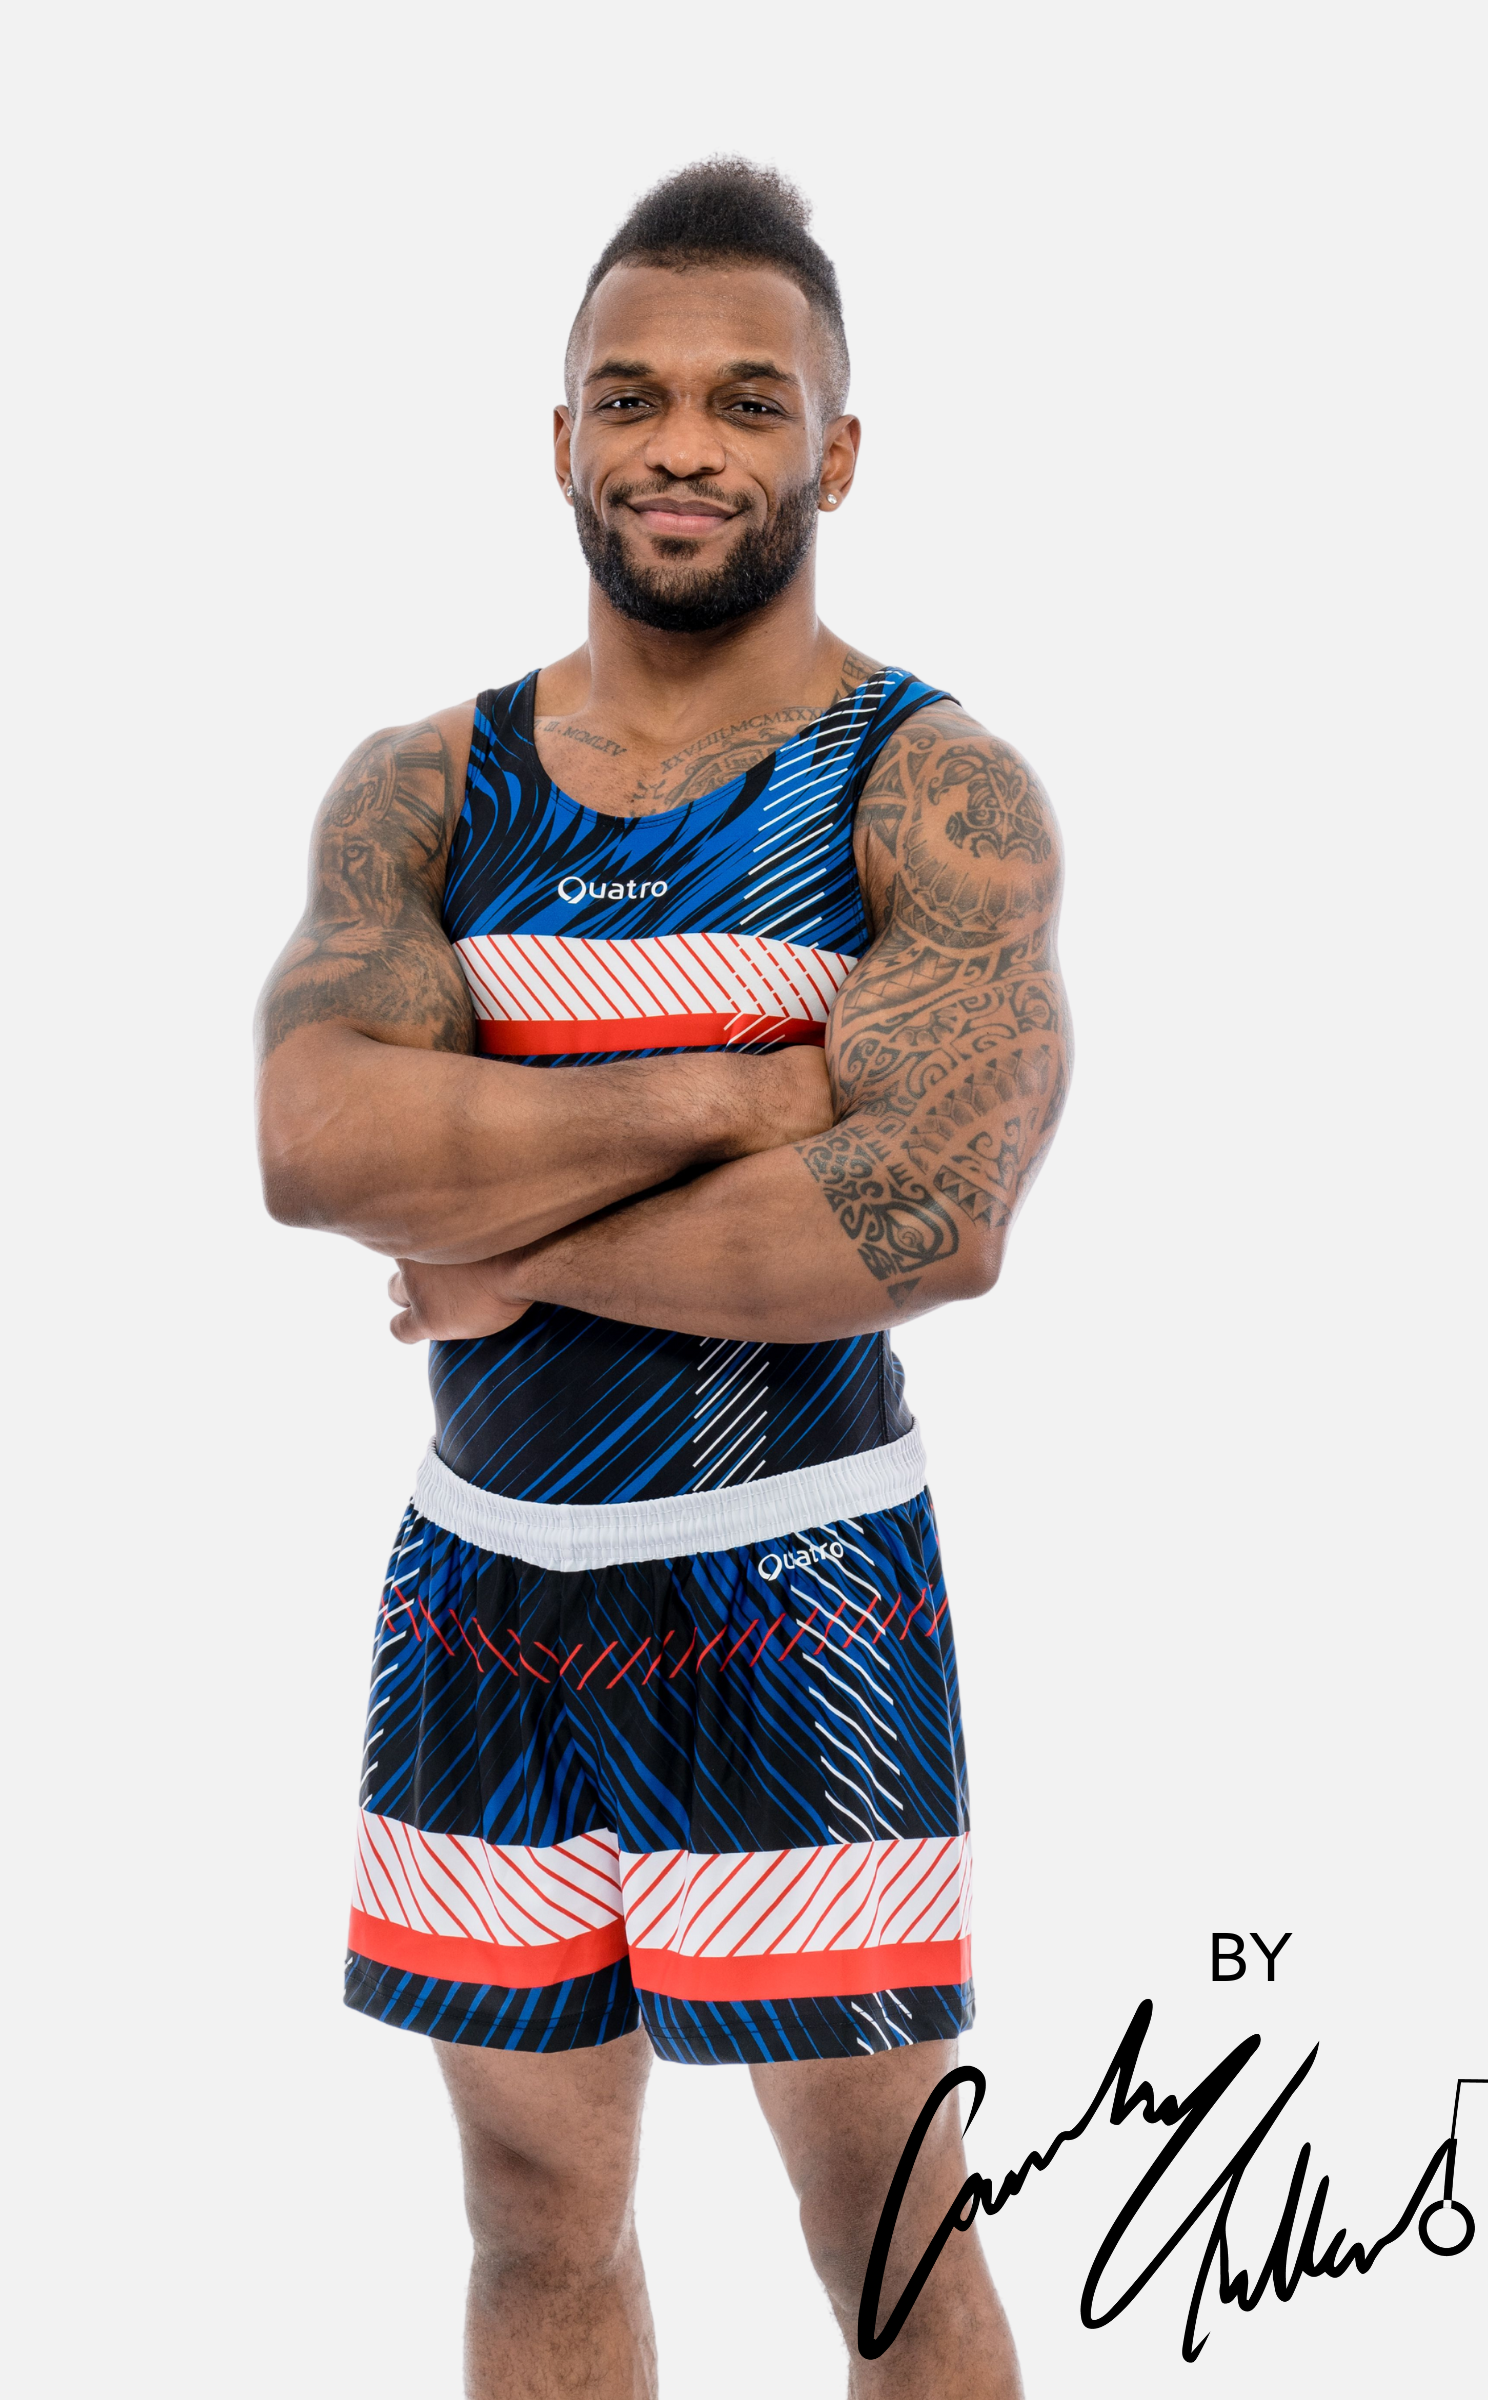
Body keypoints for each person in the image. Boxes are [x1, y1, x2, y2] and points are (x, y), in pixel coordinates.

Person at [257, 156, 1068, 2400]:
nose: (681, 443)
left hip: (796, 1594)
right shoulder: (428, 791)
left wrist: (491, 1235)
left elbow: (926, 1222)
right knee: (532, 2207)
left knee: (878, 2220)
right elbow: (312, 1143)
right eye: (630, 396)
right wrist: (724, 1093)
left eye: (743, 398)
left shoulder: (925, 790)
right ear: (561, 439)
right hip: (481, 1593)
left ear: (835, 449)